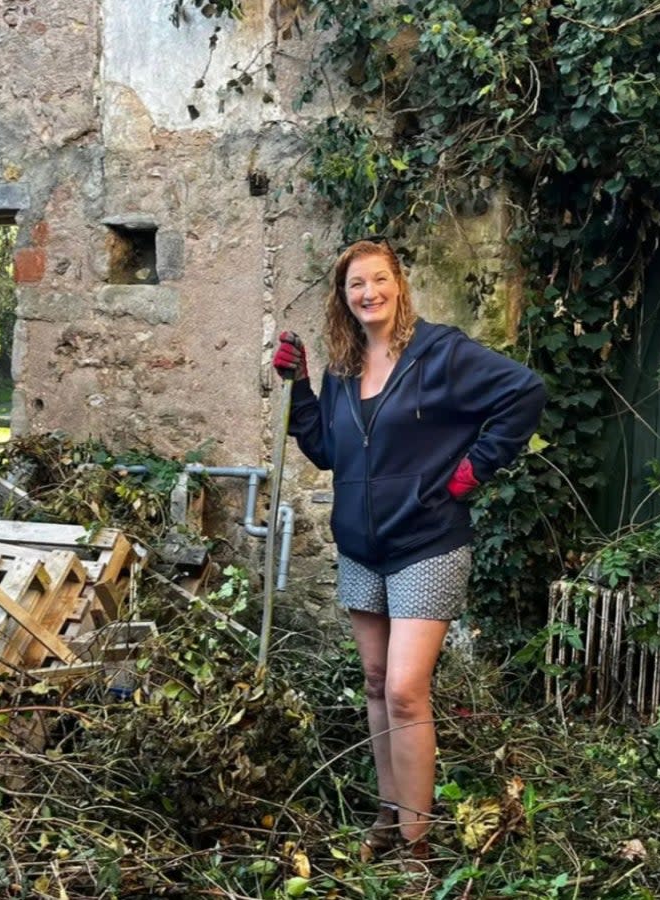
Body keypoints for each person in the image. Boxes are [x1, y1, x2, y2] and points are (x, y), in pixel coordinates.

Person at [272, 237, 545, 862]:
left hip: (427, 539)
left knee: (403, 689)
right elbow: (327, 453)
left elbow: (523, 393)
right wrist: (300, 388)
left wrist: (469, 473)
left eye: (378, 280)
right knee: (373, 682)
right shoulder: (342, 367)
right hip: (361, 544)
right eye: (355, 286)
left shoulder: (441, 352)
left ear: (399, 283)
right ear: (344, 299)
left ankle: (418, 846)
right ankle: (388, 819)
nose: (368, 293)